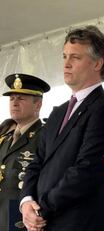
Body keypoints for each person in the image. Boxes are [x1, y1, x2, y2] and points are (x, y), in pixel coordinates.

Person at [20, 26, 104, 231]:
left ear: (97, 63)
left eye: (75, 57)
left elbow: (87, 172)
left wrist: (41, 210)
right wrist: (26, 202)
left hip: (77, 223)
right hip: (42, 222)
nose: (66, 64)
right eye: (65, 56)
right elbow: (37, 161)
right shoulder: (58, 112)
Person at [0, 74, 49, 231]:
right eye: (12, 98)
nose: (14, 102)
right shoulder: (4, 138)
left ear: (38, 105)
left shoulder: (46, 136)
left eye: (21, 98)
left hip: (22, 219)